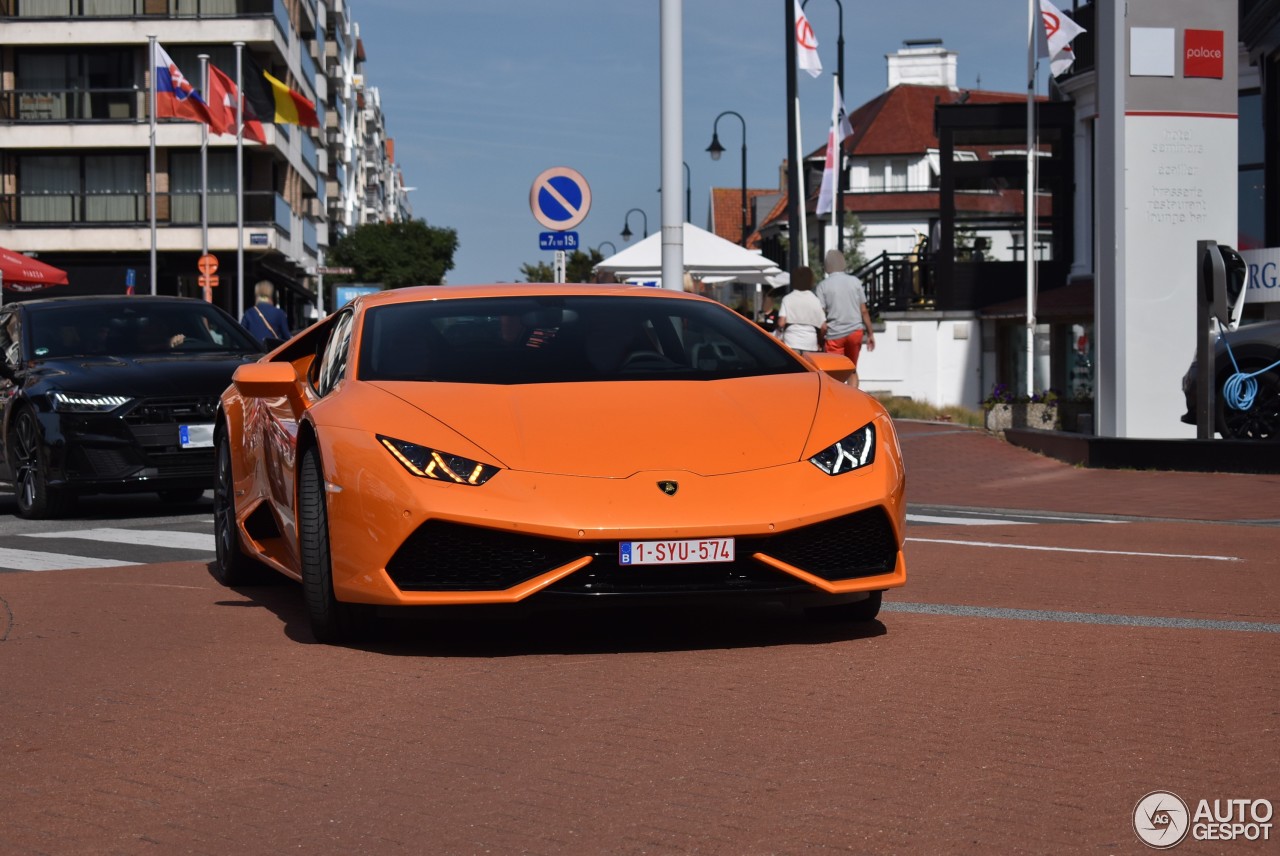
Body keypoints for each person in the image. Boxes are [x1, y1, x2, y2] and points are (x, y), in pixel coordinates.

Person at [816, 249, 876, 387]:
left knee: (835, 373)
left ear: (826, 266)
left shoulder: (823, 286)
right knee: (852, 370)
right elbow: (864, 310)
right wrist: (870, 333)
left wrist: (820, 338)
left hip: (835, 335)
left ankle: (839, 403)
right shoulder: (855, 282)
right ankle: (853, 401)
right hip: (855, 332)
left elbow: (821, 316)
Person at [775, 267, 826, 355]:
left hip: (791, 342)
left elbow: (781, 323)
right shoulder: (815, 300)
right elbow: (824, 327)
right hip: (810, 343)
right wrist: (820, 341)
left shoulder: (788, 299)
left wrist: (779, 333)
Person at [241, 280, 291, 345]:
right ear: (271, 294)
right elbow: (286, 337)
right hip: (273, 352)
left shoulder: (249, 313)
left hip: (255, 353)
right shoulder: (279, 313)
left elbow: (242, 334)